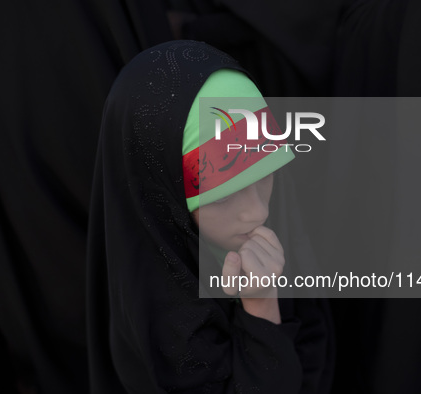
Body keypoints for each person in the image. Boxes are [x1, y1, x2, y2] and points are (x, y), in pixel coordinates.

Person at [86, 40, 334, 393]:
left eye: (264, 176)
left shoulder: (281, 220)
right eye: (224, 195)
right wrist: (261, 307)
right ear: (165, 195)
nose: (258, 211)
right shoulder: (161, 320)